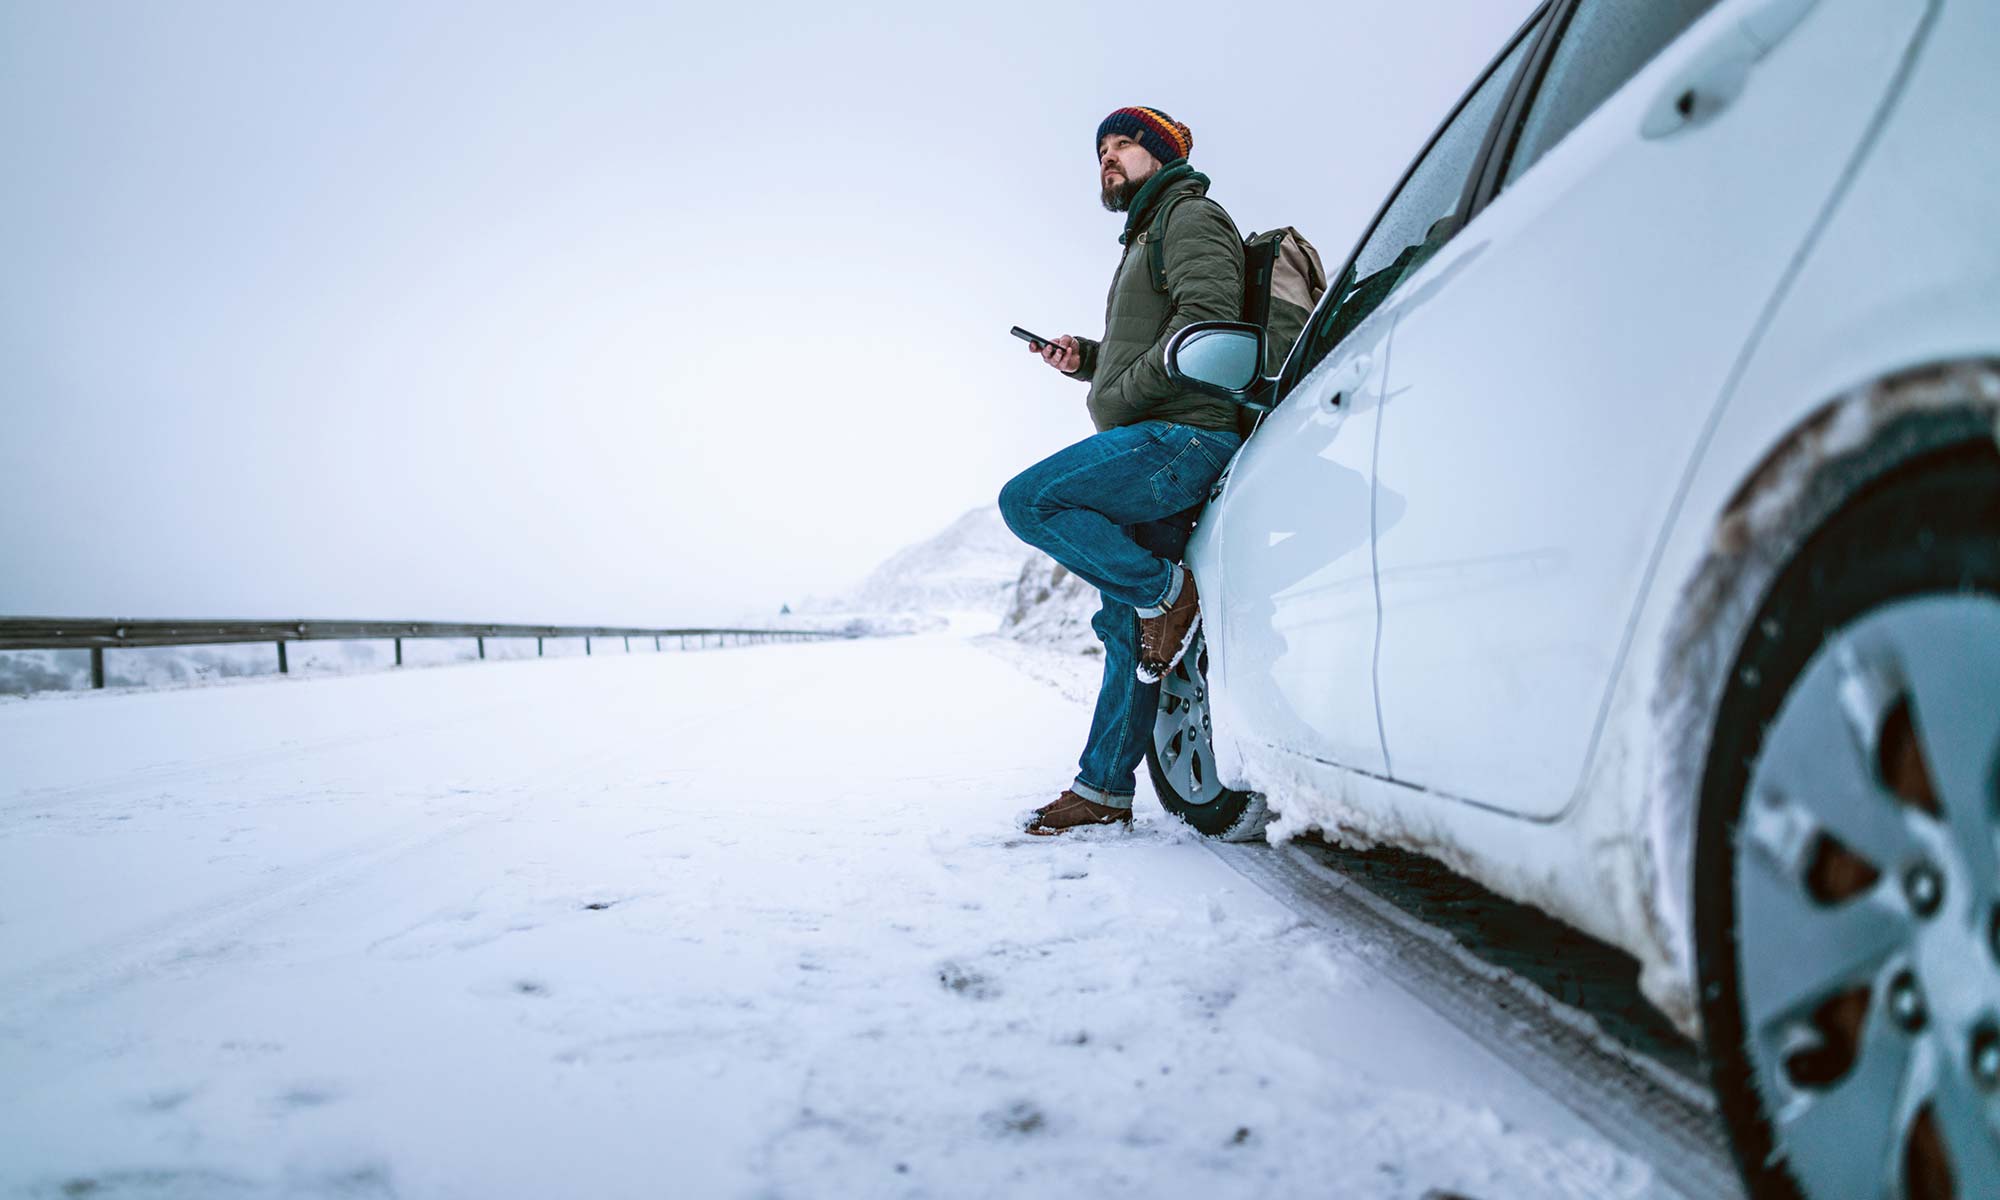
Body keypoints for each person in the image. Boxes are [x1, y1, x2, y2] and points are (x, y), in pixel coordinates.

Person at [998, 106, 1246, 836]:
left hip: (1184, 436)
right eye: (1101, 150)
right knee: (1127, 628)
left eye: (1123, 145)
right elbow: (1156, 345)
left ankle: (1169, 592)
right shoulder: (1143, 237)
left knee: (1030, 501)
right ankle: (1103, 789)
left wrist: (1123, 388)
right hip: (1158, 432)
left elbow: (1207, 323)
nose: (1107, 158)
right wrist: (1092, 363)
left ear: (1161, 155)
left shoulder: (1189, 217)